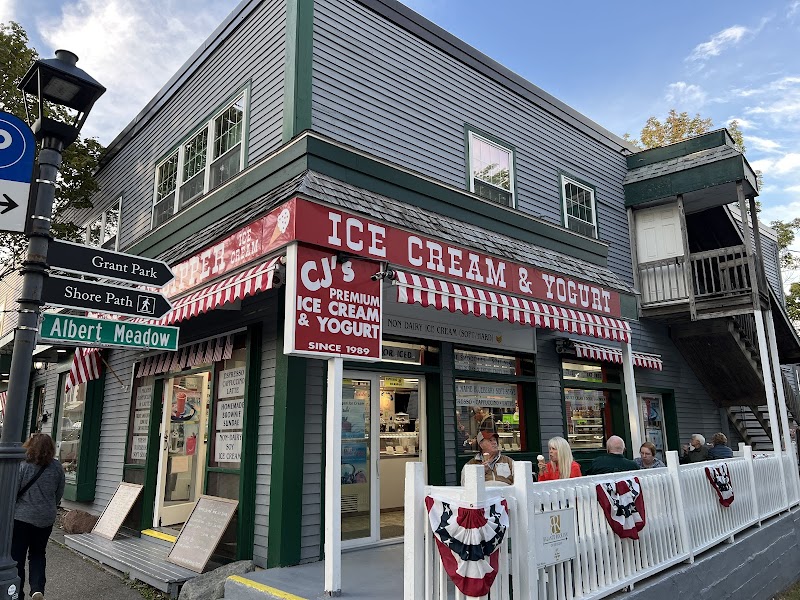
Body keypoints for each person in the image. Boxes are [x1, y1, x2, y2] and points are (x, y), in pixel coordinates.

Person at [12, 433, 65, 600]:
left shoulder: (23, 465)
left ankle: (17, 594)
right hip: (45, 519)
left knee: (17, 557)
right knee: (38, 554)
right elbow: (59, 493)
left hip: (22, 518)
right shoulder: (57, 467)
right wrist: (49, 506)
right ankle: (37, 589)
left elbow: (14, 491)